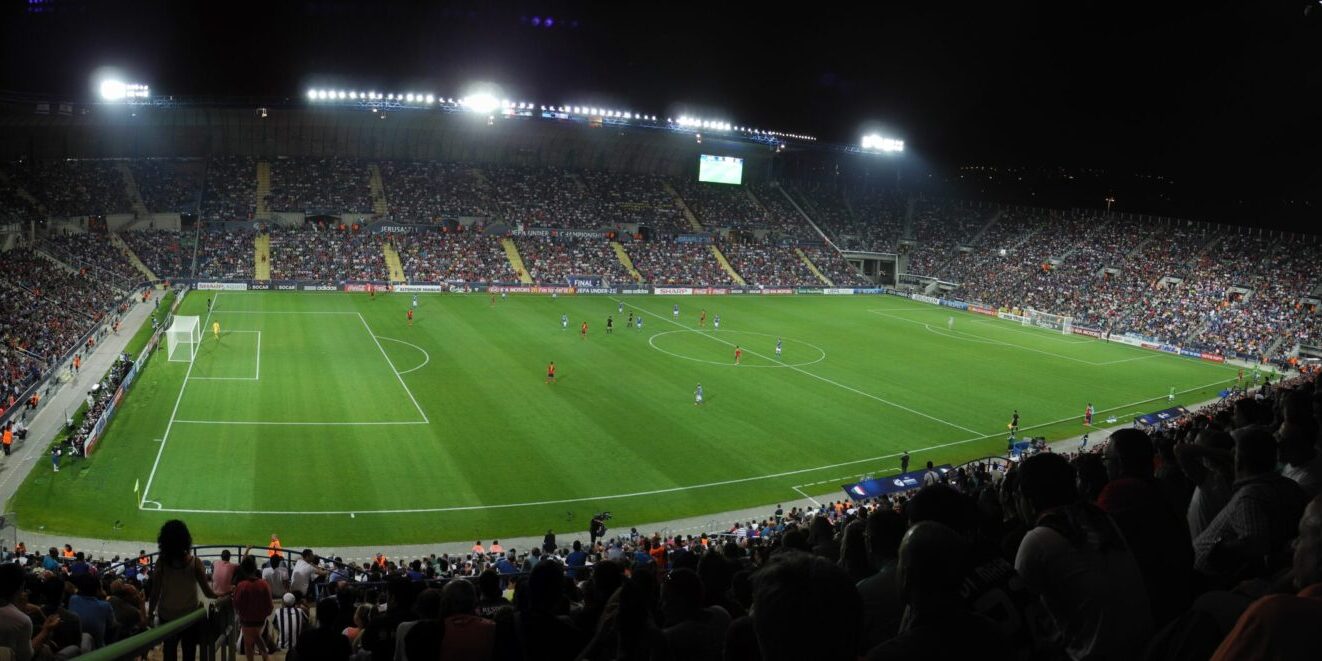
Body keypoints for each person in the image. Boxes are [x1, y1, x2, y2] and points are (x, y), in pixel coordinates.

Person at [149, 520, 222, 661]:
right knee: (189, 653)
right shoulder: (195, 563)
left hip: (167, 616)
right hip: (189, 617)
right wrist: (224, 593)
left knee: (169, 653)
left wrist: (150, 614)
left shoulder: (161, 562)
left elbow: (154, 593)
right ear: (185, 539)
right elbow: (209, 593)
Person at [233, 555, 273, 661]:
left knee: (249, 645)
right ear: (255, 568)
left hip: (246, 621)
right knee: (257, 640)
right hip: (260, 620)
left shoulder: (241, 585)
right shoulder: (264, 584)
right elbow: (270, 606)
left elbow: (236, 604)